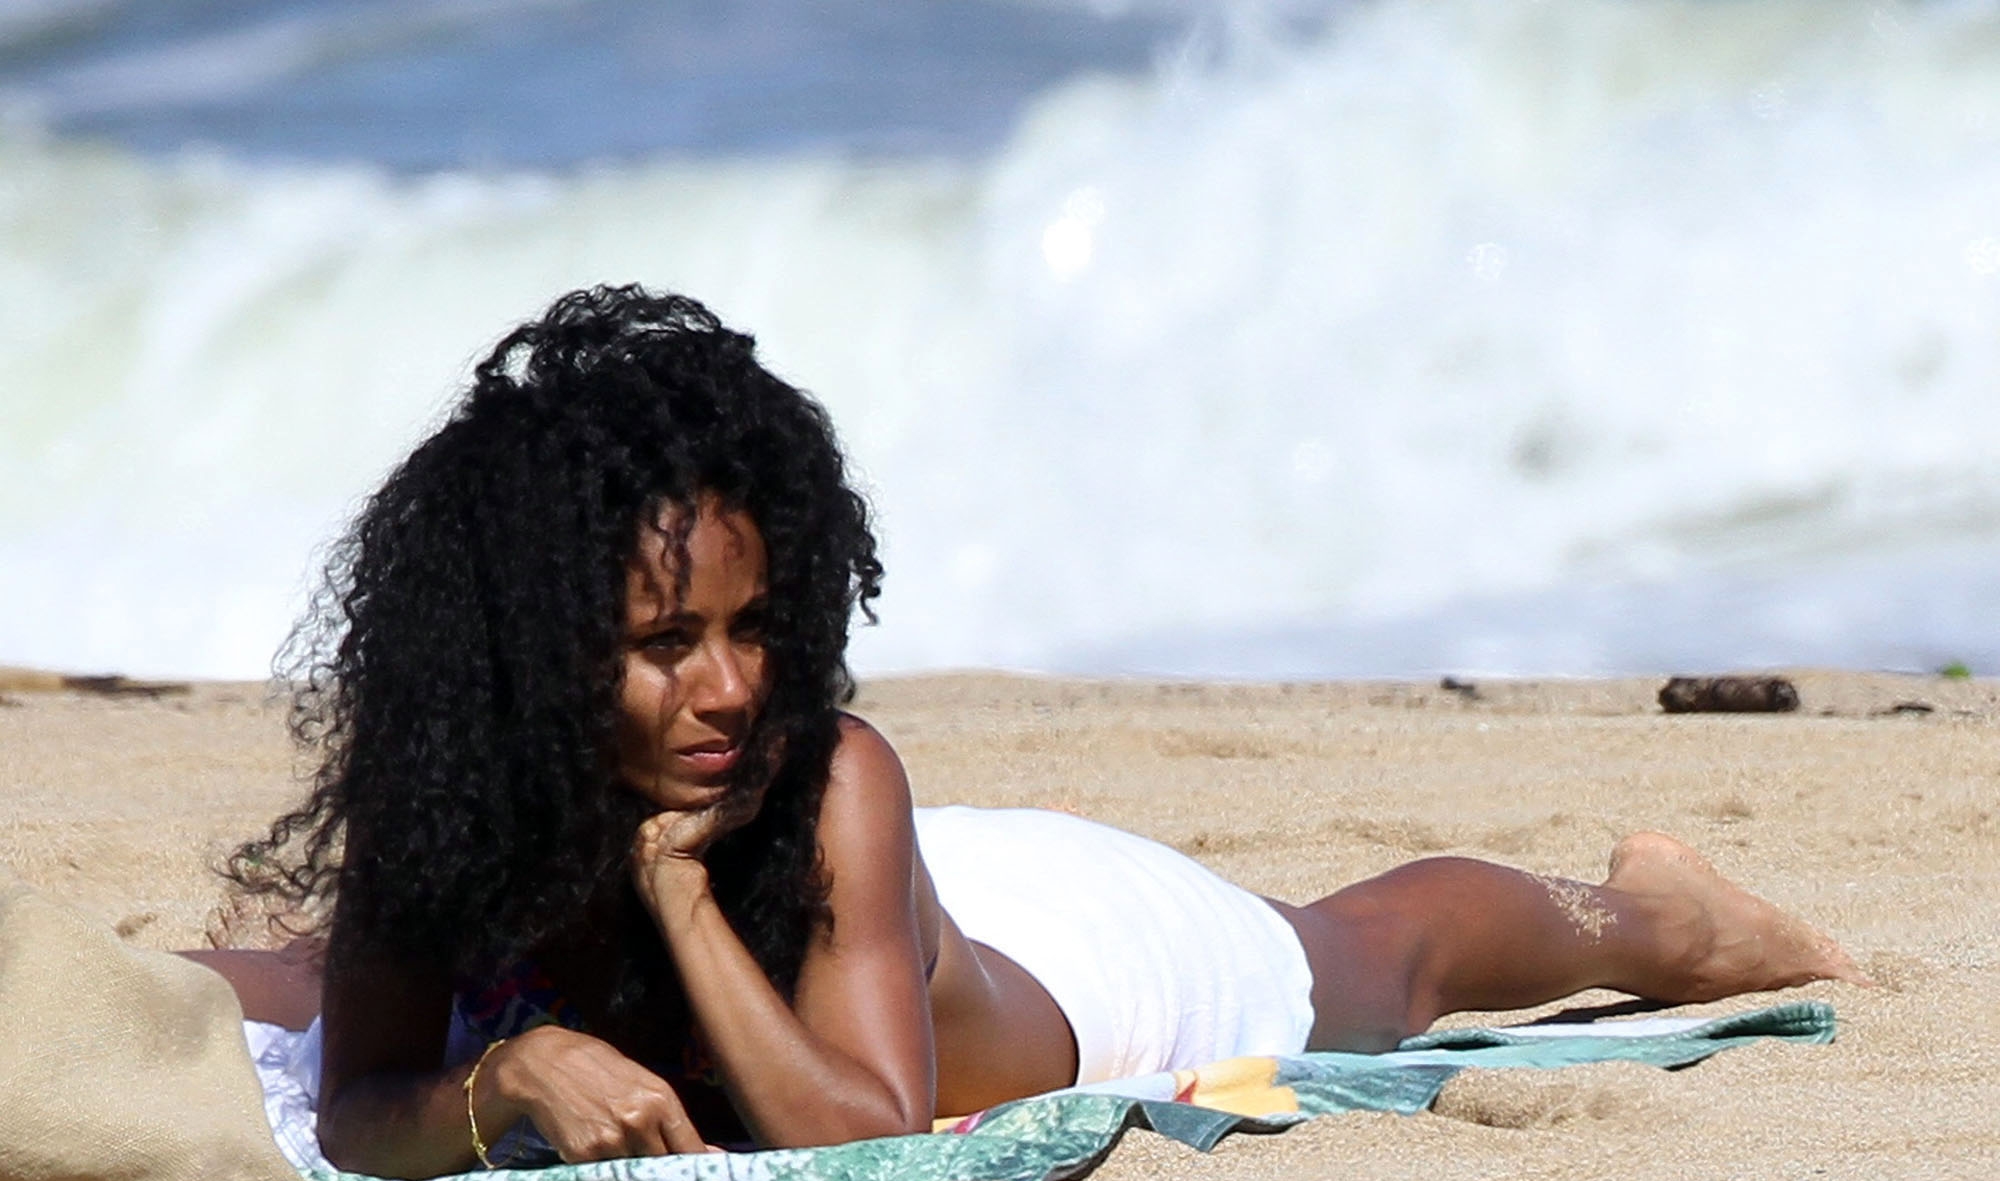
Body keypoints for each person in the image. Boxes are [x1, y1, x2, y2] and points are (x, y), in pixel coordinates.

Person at [210, 284, 1863, 1177]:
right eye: (664, 644)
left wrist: (681, 898)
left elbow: (864, 1139)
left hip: (1078, 965)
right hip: (906, 909)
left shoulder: (827, 770)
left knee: (1379, 959)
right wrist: (504, 1073)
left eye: (757, 626)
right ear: (531, 656)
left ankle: (1662, 915)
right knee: (308, 975)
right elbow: (360, 1104)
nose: (729, 687)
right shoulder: (457, 799)